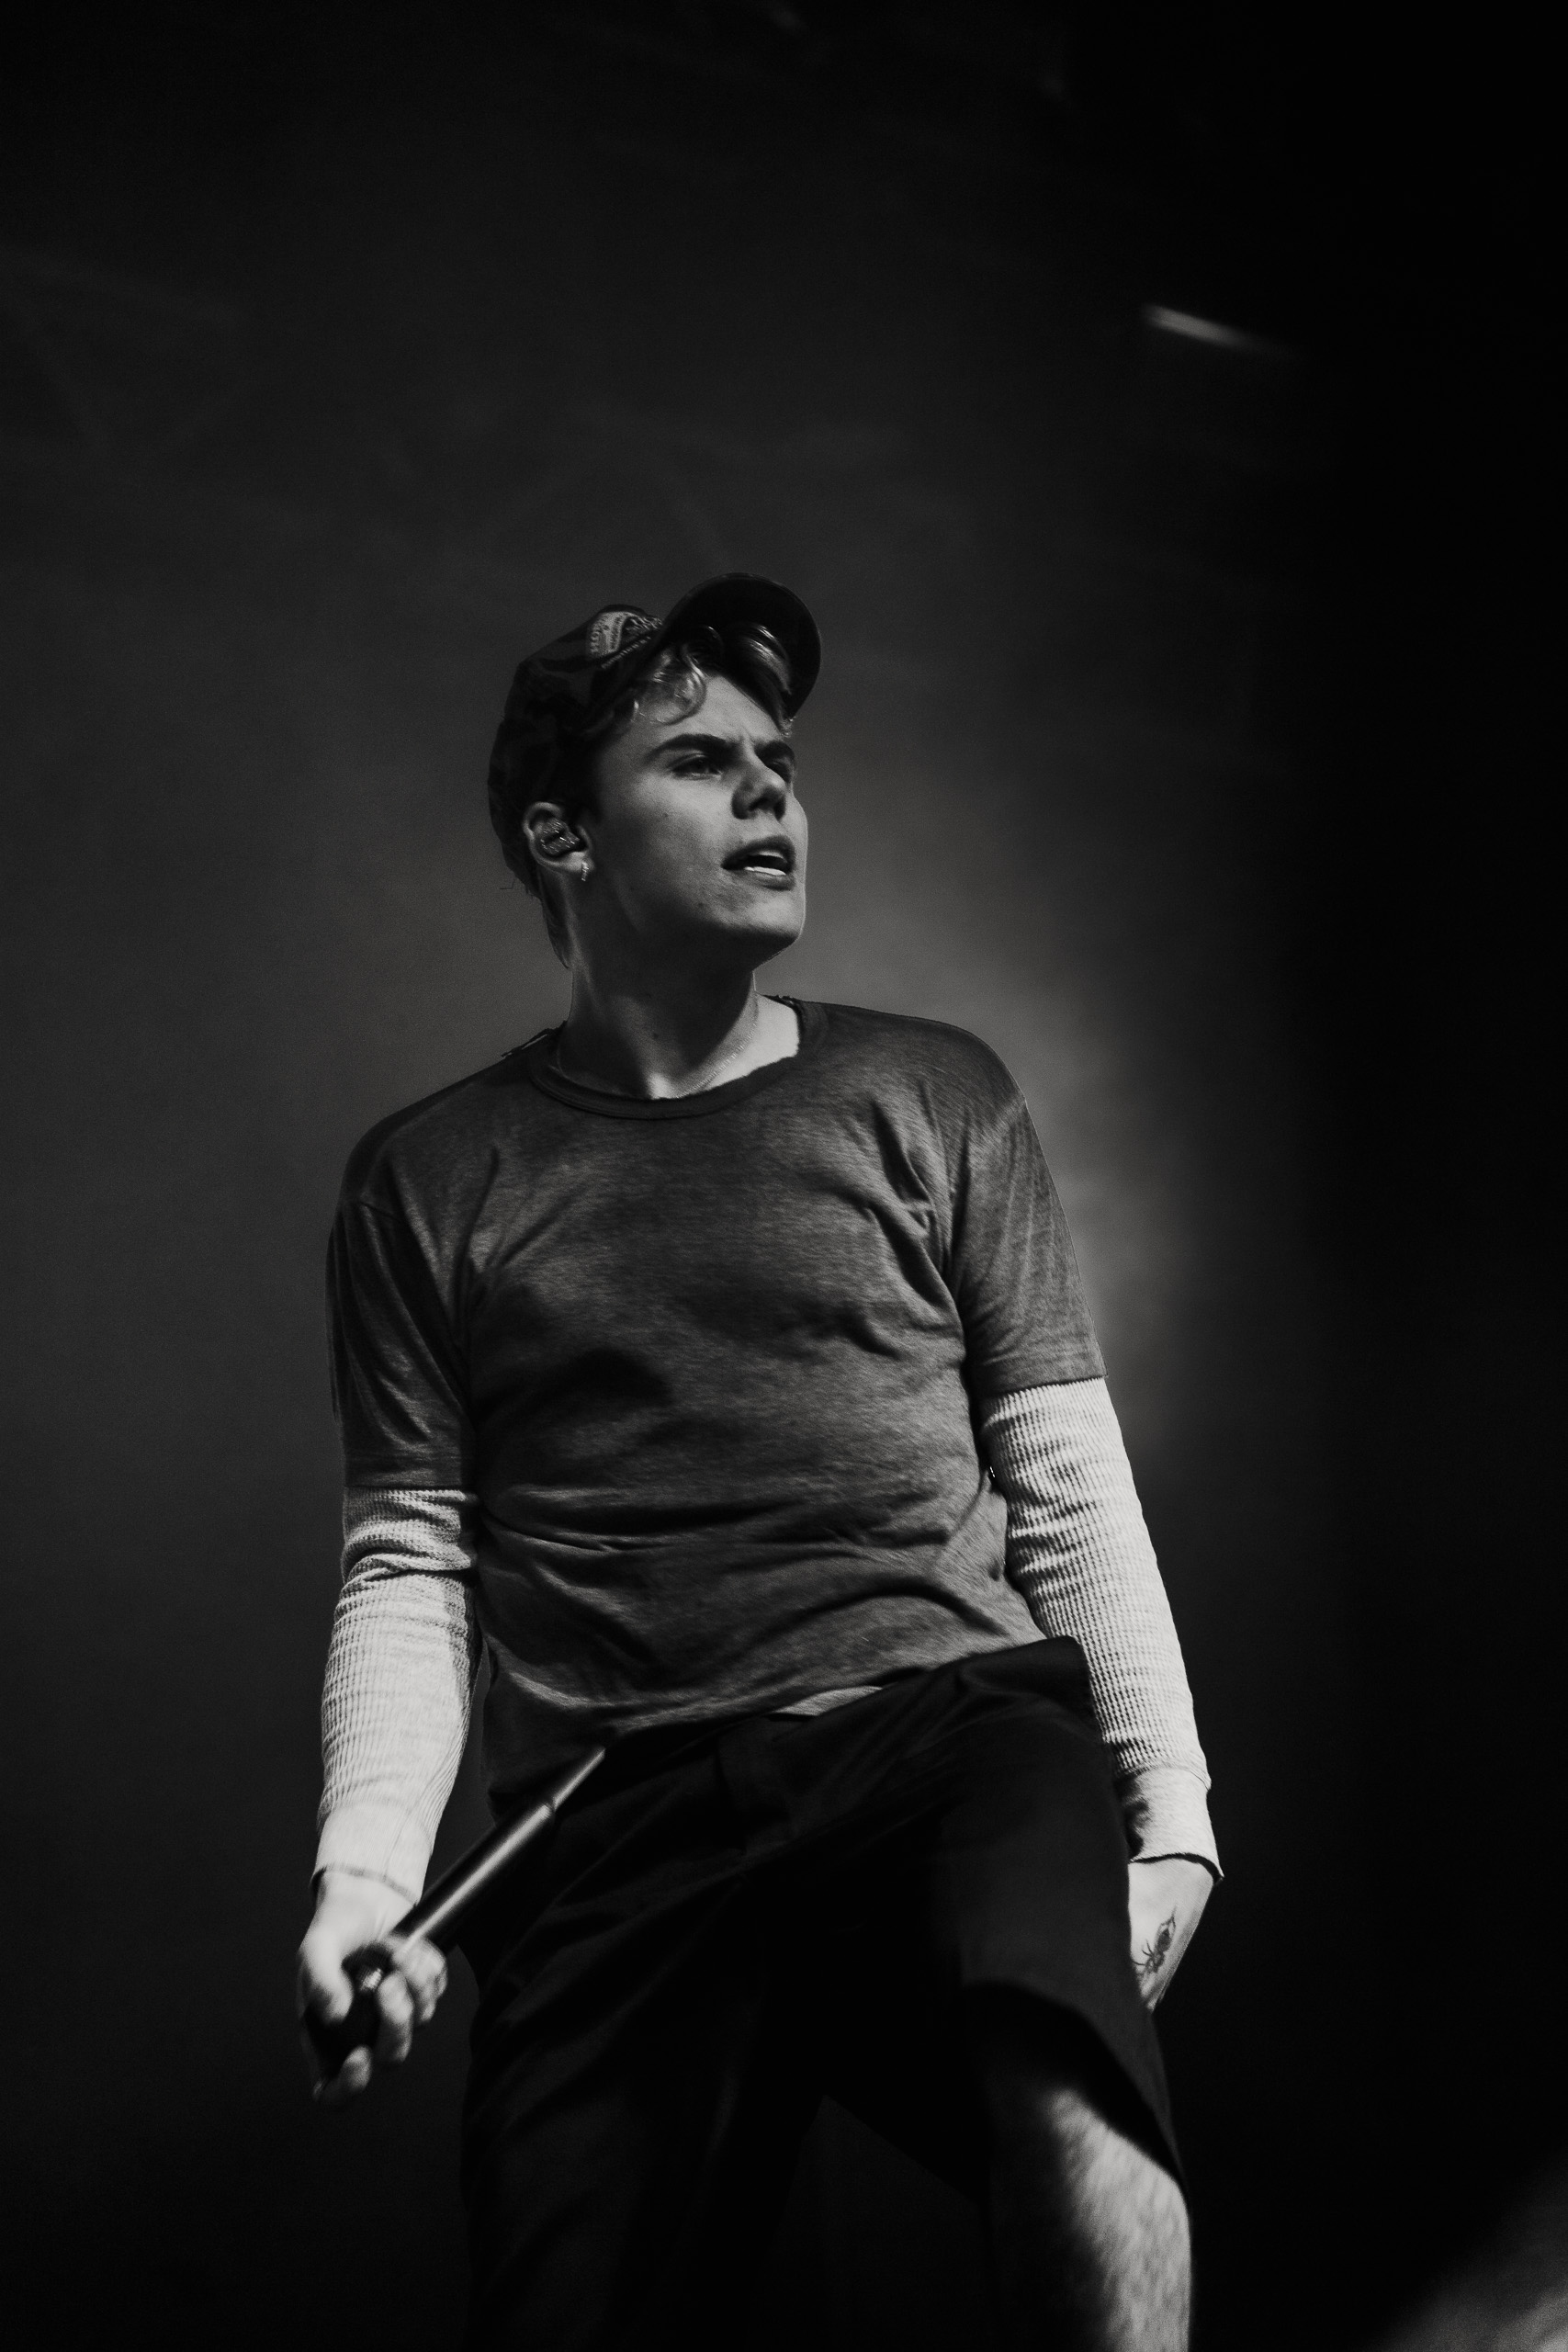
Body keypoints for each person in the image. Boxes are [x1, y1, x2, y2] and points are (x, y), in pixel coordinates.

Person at [296, 574, 1219, 2351]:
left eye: (779, 760)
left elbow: (1066, 1479)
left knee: (1074, 2089)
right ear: (563, 834)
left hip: (943, 1741)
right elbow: (409, 1569)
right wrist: (362, 1881)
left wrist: (1170, 1810)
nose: (770, 790)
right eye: (701, 760)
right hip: (611, 1823)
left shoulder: (938, 1092)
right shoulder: (423, 1180)